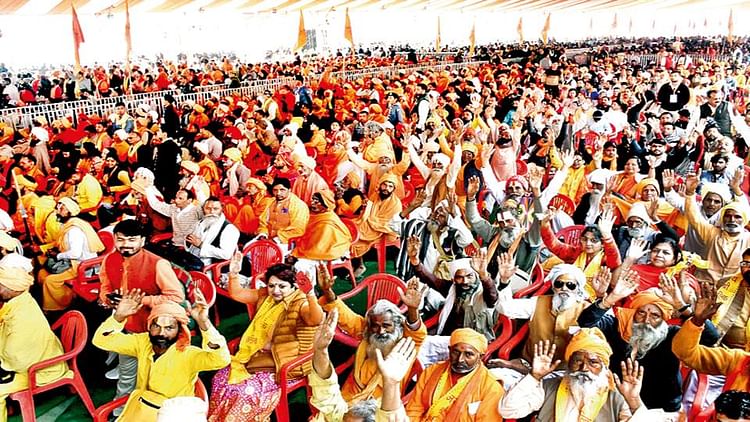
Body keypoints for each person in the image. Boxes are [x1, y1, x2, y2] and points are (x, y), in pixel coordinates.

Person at [209, 255, 323, 421]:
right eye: (271, 286)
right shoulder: (266, 296)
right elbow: (238, 294)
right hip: (257, 356)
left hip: (284, 363)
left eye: (282, 286)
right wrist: (233, 273)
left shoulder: (301, 302)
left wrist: (310, 294)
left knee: (245, 391)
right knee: (221, 378)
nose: (276, 291)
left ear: (293, 286)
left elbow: (316, 319)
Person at [579, 279, 720, 413]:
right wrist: (609, 299)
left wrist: (683, 307)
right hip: (614, 401)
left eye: (655, 316)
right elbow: (586, 324)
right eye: (641, 312)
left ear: (663, 319)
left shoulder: (672, 335)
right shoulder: (619, 326)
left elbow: (710, 337)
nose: (646, 320)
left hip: (659, 410)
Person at [93, 289, 230, 421]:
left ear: (180, 330)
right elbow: (101, 340)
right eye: (156, 326)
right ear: (149, 326)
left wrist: (204, 323)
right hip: (141, 409)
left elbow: (221, 359)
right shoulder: (143, 342)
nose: (161, 333)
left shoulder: (188, 354)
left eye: (169, 328)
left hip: (172, 415)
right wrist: (119, 316)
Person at [98, 219, 185, 409]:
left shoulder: (158, 264)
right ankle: (121, 411)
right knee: (126, 375)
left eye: (132, 240)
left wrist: (141, 301)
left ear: (142, 241)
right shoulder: (109, 260)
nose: (126, 245)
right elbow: (105, 287)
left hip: (157, 332)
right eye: (121, 240)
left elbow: (176, 297)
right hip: (127, 329)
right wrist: (108, 298)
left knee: (160, 378)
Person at [318, 267, 426, 401]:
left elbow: (417, 333)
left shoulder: (406, 343)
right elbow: (344, 315)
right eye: (376, 326)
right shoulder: (368, 332)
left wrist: (413, 309)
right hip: (350, 396)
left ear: (397, 325)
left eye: (386, 326)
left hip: (382, 404)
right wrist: (327, 291)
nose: (381, 331)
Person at [500, 330, 654, 421]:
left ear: (604, 367)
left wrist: (634, 401)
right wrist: (534, 377)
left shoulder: (617, 398)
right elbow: (508, 410)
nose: (584, 368)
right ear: (568, 364)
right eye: (577, 361)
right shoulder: (550, 386)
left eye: (593, 362)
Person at [0, 254, 73, 422]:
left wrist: (2, 361)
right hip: (29, 360)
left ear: (13, 288)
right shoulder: (19, 301)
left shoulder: (22, 315)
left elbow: (18, 360)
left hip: (40, 370)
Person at [308, 308, 411, 422]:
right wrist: (320, 351)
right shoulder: (341, 417)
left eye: (386, 326)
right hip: (352, 398)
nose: (381, 331)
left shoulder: (399, 355)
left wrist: (391, 384)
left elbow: (390, 418)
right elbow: (325, 388)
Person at [493, 263, 590, 378]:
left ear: (578, 288)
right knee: (495, 376)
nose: (564, 289)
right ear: (553, 287)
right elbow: (505, 308)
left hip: (563, 373)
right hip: (528, 367)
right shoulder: (537, 302)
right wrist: (504, 282)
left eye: (570, 285)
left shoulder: (587, 310)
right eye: (559, 284)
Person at [405, 327, 505, 421]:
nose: (460, 359)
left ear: (481, 357)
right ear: (449, 350)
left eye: (468, 354)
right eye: (456, 352)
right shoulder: (432, 370)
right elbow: (414, 409)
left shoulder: (492, 388)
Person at [684, 171, 750, 285]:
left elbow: (744, 209)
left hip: (734, 287)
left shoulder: (748, 239)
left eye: (737, 217)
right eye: (728, 216)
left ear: (744, 220)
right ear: (722, 219)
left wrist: (736, 189)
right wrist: (690, 193)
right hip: (704, 282)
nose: (732, 220)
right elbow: (694, 217)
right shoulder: (712, 232)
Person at [39, 197, 105, 311]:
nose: (57, 211)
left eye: (61, 208)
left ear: (69, 212)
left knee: (50, 281)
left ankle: (62, 304)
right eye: (58, 207)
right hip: (73, 262)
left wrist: (57, 256)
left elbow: (75, 254)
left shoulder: (74, 230)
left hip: (81, 266)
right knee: (42, 269)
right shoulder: (70, 224)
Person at [540, 206, 621, 298]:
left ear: (602, 244)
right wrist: (545, 224)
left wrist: (608, 237)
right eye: (584, 239)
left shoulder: (605, 259)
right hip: (567, 294)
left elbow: (615, 260)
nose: (588, 244)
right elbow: (554, 245)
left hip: (591, 300)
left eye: (594, 241)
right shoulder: (575, 253)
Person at [290, 190, 352, 281]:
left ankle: (309, 289)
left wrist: (300, 253)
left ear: (325, 204)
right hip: (313, 251)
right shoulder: (314, 216)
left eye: (316, 201)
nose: (312, 203)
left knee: (301, 265)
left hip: (328, 254)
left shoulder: (328, 222)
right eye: (312, 200)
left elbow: (321, 247)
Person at [350, 173, 403, 262]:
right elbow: (367, 213)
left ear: (394, 189)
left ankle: (357, 261)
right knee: (351, 226)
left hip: (384, 232)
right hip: (370, 226)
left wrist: (370, 219)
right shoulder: (375, 196)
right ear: (380, 185)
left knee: (355, 236)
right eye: (384, 185)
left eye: (390, 186)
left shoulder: (396, 204)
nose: (386, 188)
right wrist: (365, 208)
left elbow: (389, 224)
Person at [257, 177, 309, 253]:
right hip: (268, 238)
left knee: (268, 254)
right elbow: (263, 222)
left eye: (282, 190)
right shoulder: (271, 202)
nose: (278, 193)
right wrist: (263, 234)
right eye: (275, 190)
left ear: (289, 190)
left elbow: (298, 229)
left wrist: (276, 240)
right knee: (248, 250)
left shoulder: (298, 205)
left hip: (287, 241)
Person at [185, 196, 240, 266]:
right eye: (208, 208)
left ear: (222, 209)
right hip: (193, 260)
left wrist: (201, 245)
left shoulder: (229, 229)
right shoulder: (201, 222)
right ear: (203, 209)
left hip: (210, 267)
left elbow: (226, 254)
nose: (212, 212)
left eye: (215, 209)